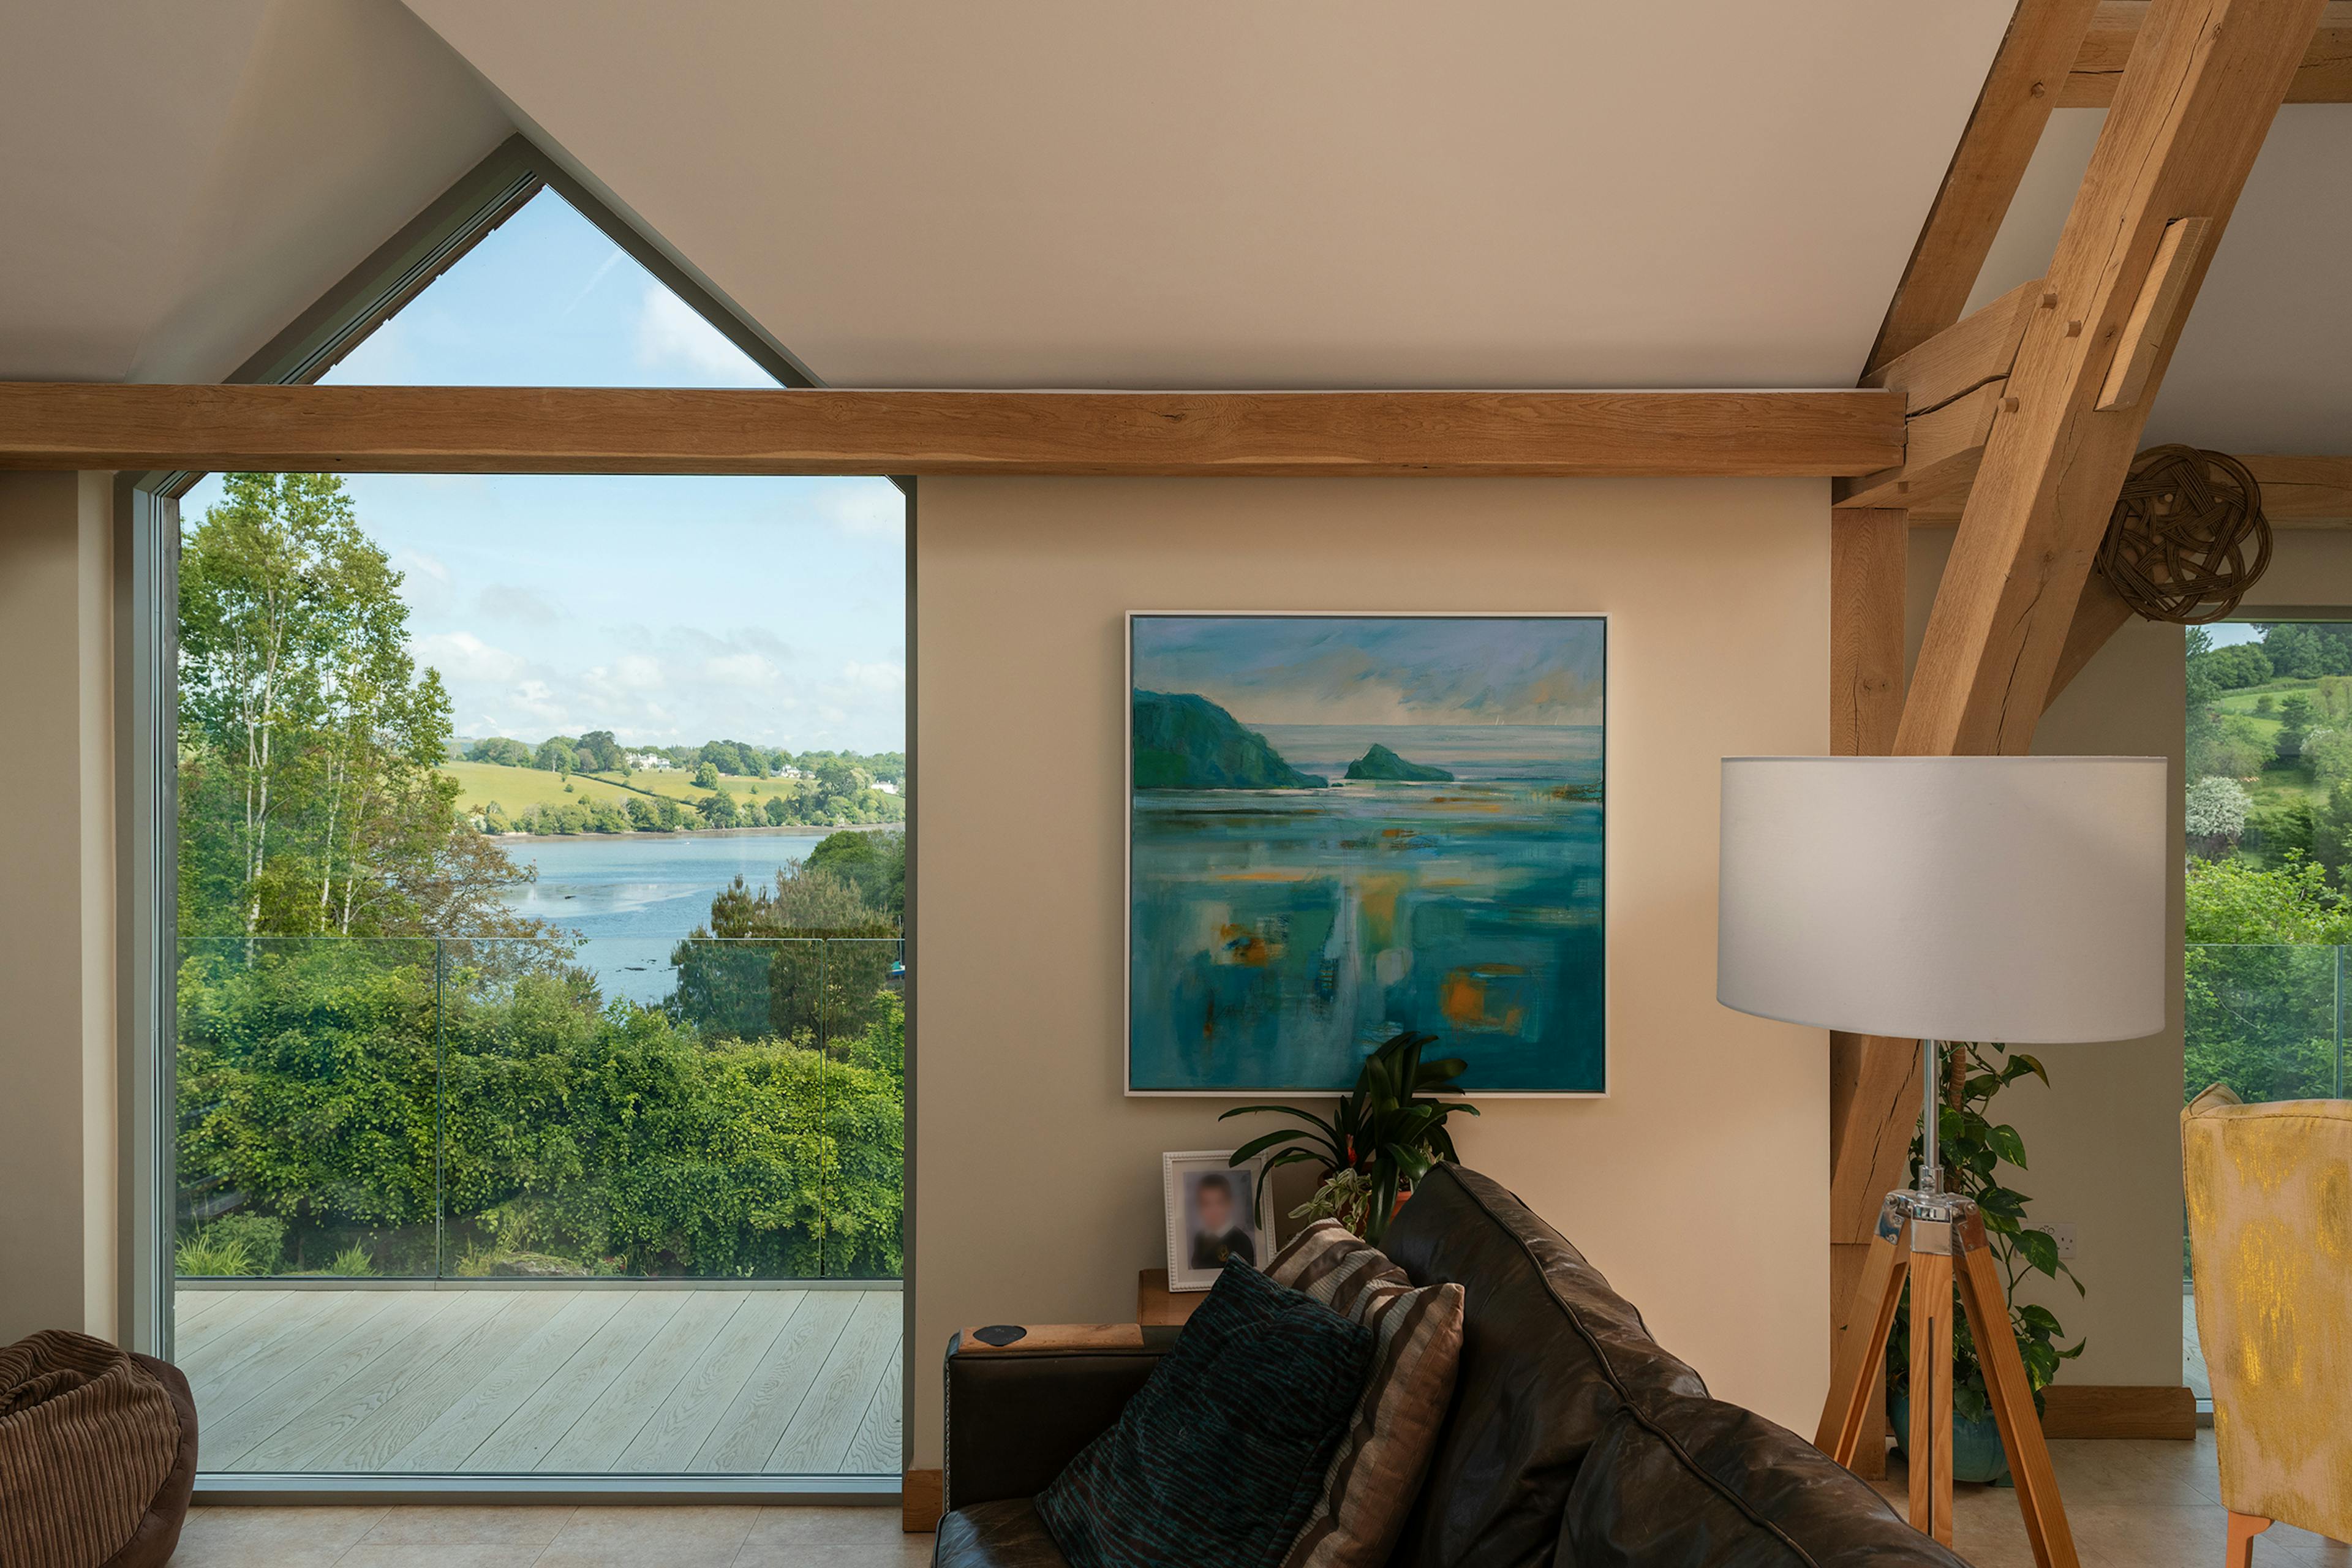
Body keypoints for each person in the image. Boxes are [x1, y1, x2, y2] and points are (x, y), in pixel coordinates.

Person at [1189, 1171, 1257, 1270]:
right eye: (1206, 1204)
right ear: (1199, 1208)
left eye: (1220, 1203)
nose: (1213, 1211)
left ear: (1229, 1204)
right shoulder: (1199, 1238)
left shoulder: (1241, 1241)